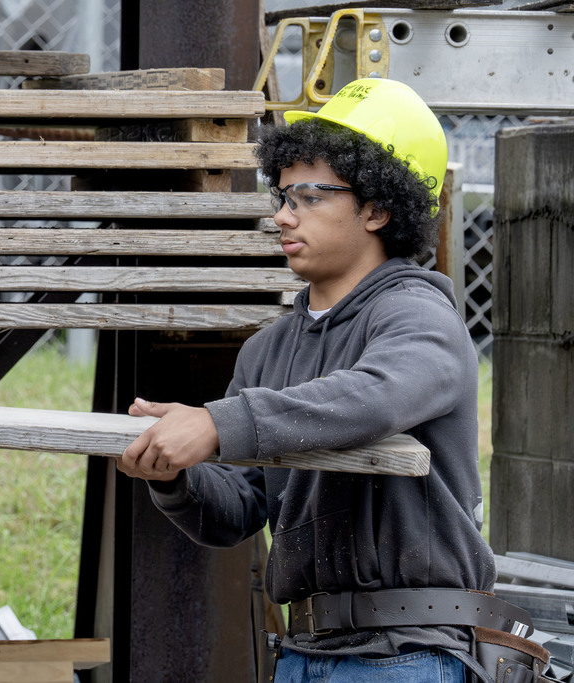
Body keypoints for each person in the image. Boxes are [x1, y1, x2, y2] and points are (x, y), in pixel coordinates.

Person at [117, 79, 539, 682]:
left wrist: (218, 423)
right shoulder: (268, 349)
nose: (282, 216)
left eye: (310, 196)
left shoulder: (420, 318)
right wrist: (175, 477)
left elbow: (375, 395)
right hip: (305, 653)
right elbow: (240, 508)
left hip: (407, 655)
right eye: (282, 194)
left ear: (377, 208)